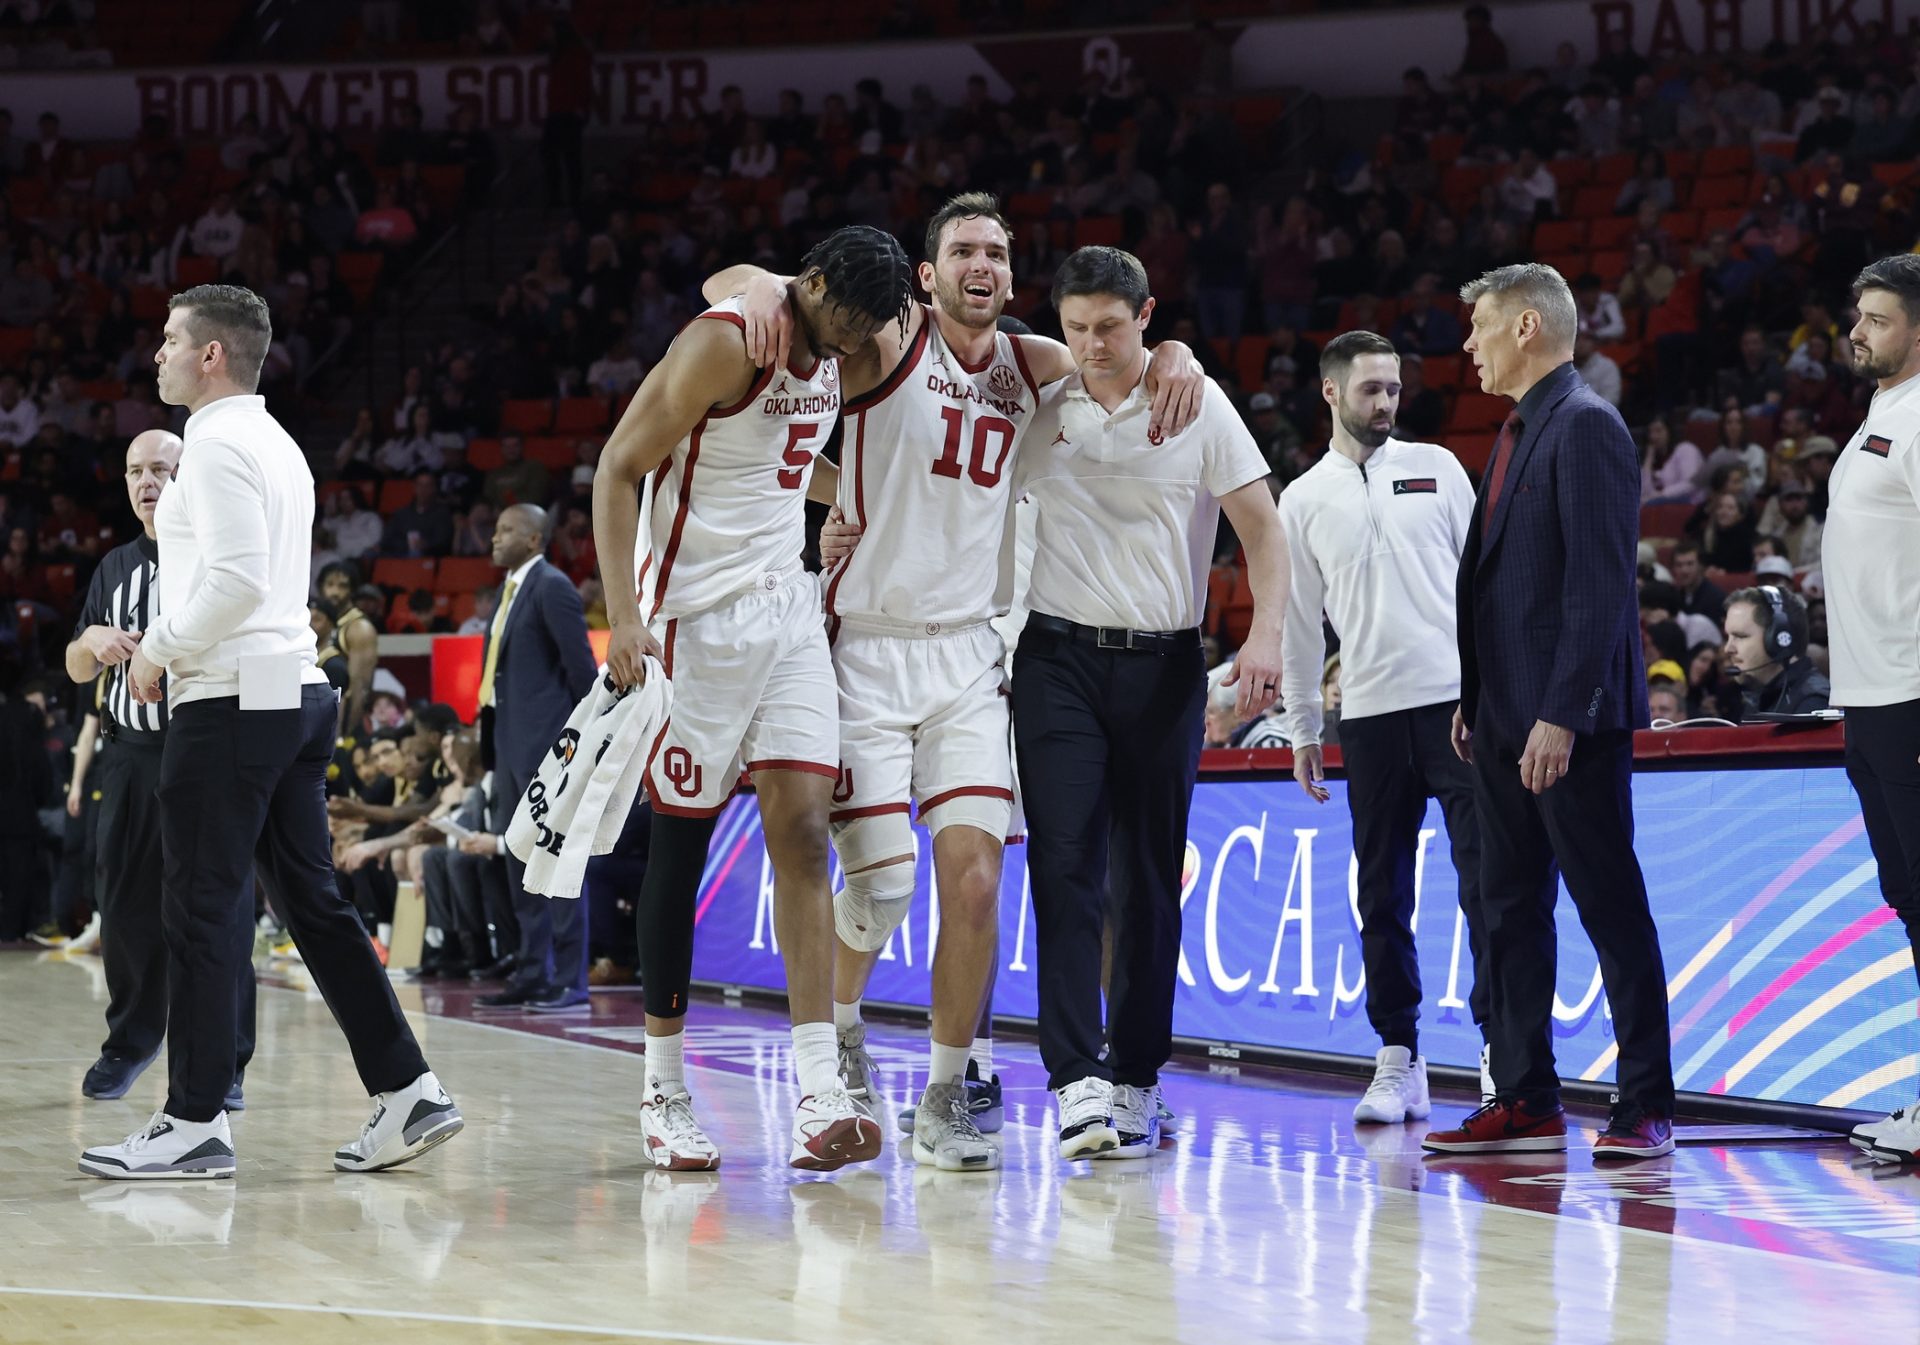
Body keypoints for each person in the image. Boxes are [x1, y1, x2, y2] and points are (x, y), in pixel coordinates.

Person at [708, 195, 1205, 1170]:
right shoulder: (887, 337)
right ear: (927, 276)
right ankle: (843, 1016)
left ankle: (947, 1093)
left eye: (998, 252)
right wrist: (758, 293)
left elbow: (1131, 364)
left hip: (970, 657)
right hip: (862, 653)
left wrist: (1177, 353)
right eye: (963, 250)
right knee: (882, 890)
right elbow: (729, 289)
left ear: (1012, 279)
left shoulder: (1033, 367)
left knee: (978, 881)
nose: (982, 263)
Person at [79, 285, 461, 1181]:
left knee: (201, 907)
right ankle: (409, 1090)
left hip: (232, 700)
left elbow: (241, 581)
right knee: (312, 905)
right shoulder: (278, 441)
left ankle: (194, 1120)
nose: (160, 353)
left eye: (172, 340)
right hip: (290, 692)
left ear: (212, 354)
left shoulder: (213, 447)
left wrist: (160, 648)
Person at [593, 225, 917, 1173]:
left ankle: (818, 1085)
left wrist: (840, 496)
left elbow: (780, 453)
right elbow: (618, 467)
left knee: (807, 833)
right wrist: (622, 617)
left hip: (788, 612)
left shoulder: (828, 330)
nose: (848, 349)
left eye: (865, 335)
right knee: (680, 845)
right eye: (840, 324)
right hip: (694, 619)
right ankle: (662, 1087)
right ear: (808, 283)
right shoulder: (728, 341)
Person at [1011, 246, 1286, 1160]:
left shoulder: (1195, 402)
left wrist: (1266, 638)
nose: (1092, 344)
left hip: (1165, 663)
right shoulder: (1034, 407)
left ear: (1147, 316)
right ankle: (1073, 1076)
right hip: (1054, 659)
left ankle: (1135, 1075)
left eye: (1112, 327)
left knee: (1148, 877)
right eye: (1076, 327)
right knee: (1062, 863)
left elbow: (1263, 528)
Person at [1424, 264, 1675, 1160]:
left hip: (1571, 726)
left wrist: (1562, 713)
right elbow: (1501, 585)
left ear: (1527, 326)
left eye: (1480, 326)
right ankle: (1526, 1094)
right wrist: (1475, 696)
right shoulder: (1520, 429)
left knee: (1610, 907)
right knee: (1507, 910)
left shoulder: (1587, 425)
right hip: (1500, 719)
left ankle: (1646, 1102)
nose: (1469, 345)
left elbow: (1602, 586)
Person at [1278, 331, 1490, 1124]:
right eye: (1370, 389)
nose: (1385, 402)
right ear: (1330, 392)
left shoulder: (1437, 468)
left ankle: (1499, 1050)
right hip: (1366, 715)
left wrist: (1490, 690)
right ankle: (1398, 1054)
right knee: (1383, 893)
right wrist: (1305, 728)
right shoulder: (1301, 500)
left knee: (1484, 883)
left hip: (1457, 709)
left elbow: (1483, 584)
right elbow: (1301, 628)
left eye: (1393, 388)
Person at [64, 429, 257, 1105]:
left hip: (204, 752)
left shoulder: (216, 559)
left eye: (161, 469)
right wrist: (89, 641)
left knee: (220, 907)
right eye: (135, 471)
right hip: (129, 753)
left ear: (189, 478)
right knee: (122, 904)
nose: (147, 482)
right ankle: (130, 1042)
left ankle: (225, 1061)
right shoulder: (114, 565)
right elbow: (76, 664)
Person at [1821, 257, 1920, 1164]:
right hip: (1870, 695)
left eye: (1879, 319)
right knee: (1910, 899)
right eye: (1860, 314)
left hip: (1910, 694)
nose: (1858, 330)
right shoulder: (1876, 418)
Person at [469, 502, 598, 1011]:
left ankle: (570, 980)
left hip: (549, 750)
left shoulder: (553, 587)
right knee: (519, 860)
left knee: (559, 863)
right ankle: (531, 970)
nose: (494, 538)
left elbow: (583, 673)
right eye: (495, 528)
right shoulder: (509, 591)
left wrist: (581, 746)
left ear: (534, 539)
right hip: (508, 745)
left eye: (506, 530)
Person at [1722, 585, 1830, 719]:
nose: (1728, 648)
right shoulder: (1758, 699)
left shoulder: (1813, 704)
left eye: (1740, 636)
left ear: (1776, 639)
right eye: (1728, 637)